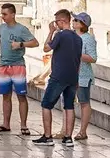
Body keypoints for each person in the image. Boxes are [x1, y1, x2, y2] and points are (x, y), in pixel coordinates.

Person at [33, 9, 84, 146]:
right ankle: (68, 138)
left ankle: (47, 136)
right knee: (69, 106)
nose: (55, 24)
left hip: (58, 76)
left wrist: (51, 32)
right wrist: (77, 78)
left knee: (46, 104)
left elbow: (46, 48)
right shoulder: (78, 39)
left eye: (56, 22)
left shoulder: (60, 35)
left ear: (62, 21)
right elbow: (78, 60)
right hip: (72, 77)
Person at [0, 4, 38, 135]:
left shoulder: (21, 29)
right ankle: (6, 124)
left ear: (13, 15)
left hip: (18, 66)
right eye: (2, 14)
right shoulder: (2, 28)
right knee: (6, 95)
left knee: (21, 95)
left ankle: (23, 125)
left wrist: (21, 44)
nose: (3, 17)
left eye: (5, 14)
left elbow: (35, 42)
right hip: (4, 65)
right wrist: (1, 48)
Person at [71, 12, 98, 141]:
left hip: (83, 75)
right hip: (70, 74)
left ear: (83, 24)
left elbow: (93, 58)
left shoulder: (88, 39)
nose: (73, 21)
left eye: (76, 20)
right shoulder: (71, 36)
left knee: (84, 102)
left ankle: (83, 131)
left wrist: (77, 55)